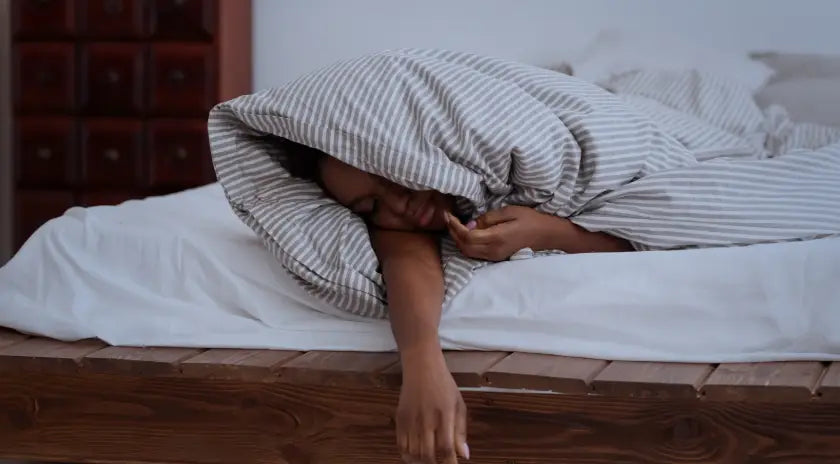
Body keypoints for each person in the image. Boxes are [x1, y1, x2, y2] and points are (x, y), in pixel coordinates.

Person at [283, 140, 631, 464]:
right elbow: (406, 260)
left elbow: (665, 226)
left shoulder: (493, 147)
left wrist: (548, 232)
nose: (397, 203)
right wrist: (423, 367)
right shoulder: (397, 224)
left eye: (388, 170)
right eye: (372, 206)